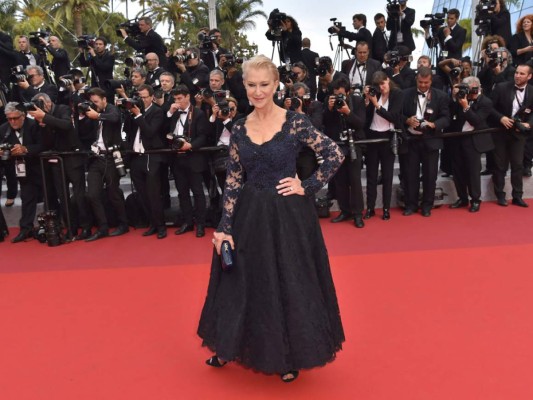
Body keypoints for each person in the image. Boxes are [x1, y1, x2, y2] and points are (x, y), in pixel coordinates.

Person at [197, 55, 345, 382]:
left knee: (287, 280)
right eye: (252, 85)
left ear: (276, 84)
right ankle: (229, 345)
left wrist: (306, 186)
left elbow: (335, 154)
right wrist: (224, 227)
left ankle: (288, 353)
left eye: (264, 84)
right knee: (242, 281)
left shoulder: (295, 121)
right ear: (244, 87)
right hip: (249, 213)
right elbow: (234, 179)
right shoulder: (238, 127)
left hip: (288, 214)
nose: (258, 91)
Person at [448, 77, 494, 212]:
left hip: (474, 140)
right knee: (457, 171)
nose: (468, 92)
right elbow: (452, 115)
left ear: (477, 87)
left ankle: (475, 200)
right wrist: (455, 96)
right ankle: (462, 198)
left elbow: (476, 120)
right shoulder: (462, 98)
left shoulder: (486, 102)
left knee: (473, 171)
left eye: (470, 89)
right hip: (458, 138)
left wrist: (466, 107)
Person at [490, 64, 533, 207]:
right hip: (500, 132)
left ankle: (517, 196)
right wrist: (500, 118)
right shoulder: (501, 87)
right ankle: (500, 195)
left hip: (519, 133)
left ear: (529, 76)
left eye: (522, 74)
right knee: (500, 165)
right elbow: (489, 107)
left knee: (518, 165)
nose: (517, 75)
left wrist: (529, 124)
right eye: (516, 72)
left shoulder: (532, 91)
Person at [364, 71, 404, 220]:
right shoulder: (375, 94)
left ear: (388, 80)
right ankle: (370, 208)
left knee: (387, 175)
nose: (381, 87)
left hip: (388, 136)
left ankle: (386, 208)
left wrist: (376, 105)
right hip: (372, 136)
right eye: (378, 85)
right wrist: (367, 101)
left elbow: (394, 116)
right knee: (371, 175)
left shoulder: (398, 94)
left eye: (383, 83)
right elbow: (366, 116)